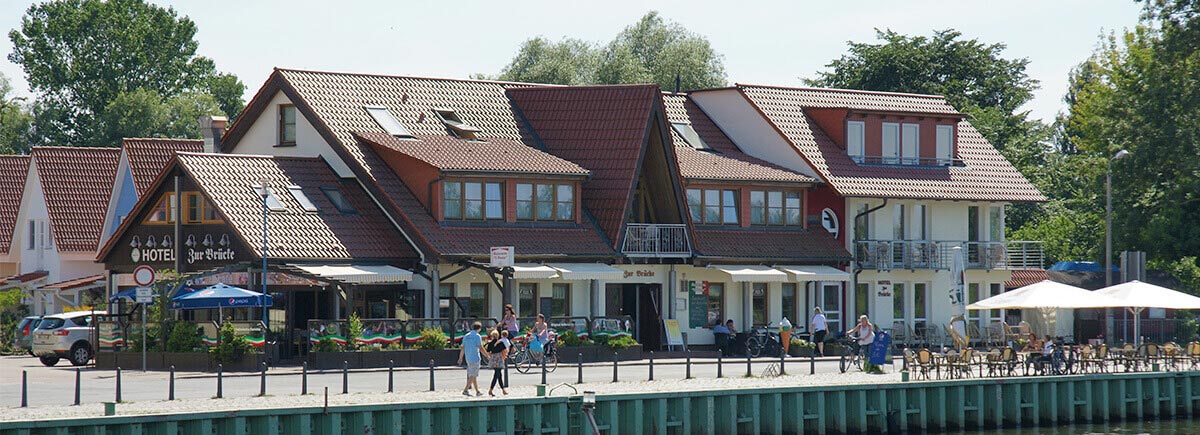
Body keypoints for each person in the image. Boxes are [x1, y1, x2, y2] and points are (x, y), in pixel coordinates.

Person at [458, 321, 488, 397]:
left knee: (472, 374)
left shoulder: (466, 336)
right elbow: (480, 347)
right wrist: (487, 355)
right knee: (473, 375)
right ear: (479, 329)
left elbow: (463, 348)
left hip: (468, 357)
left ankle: (477, 391)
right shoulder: (477, 336)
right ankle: (465, 390)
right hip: (475, 357)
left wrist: (460, 358)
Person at [485, 329, 509, 396]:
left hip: (493, 359)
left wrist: (490, 357)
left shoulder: (490, 343)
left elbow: (488, 352)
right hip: (499, 359)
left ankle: (499, 390)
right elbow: (504, 350)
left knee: (497, 375)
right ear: (498, 336)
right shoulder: (500, 343)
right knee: (498, 375)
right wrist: (504, 357)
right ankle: (496, 389)